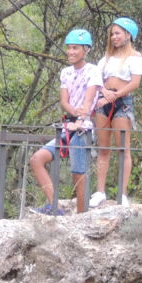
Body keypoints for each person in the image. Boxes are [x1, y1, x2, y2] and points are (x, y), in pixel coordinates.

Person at [29, 29, 103, 215]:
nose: (70, 52)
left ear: (85, 49)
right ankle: (56, 206)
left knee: (78, 173)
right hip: (67, 127)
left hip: (82, 129)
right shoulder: (66, 73)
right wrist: (73, 113)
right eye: (69, 48)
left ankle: (81, 215)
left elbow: (89, 99)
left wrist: (80, 119)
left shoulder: (93, 71)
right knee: (37, 159)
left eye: (75, 48)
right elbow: (64, 101)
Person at [90, 17, 142, 207]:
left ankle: (122, 193)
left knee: (123, 148)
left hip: (122, 103)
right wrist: (103, 92)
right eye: (112, 34)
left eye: (118, 33)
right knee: (103, 148)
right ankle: (100, 192)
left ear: (128, 35)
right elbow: (96, 79)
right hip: (104, 102)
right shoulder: (105, 59)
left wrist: (113, 96)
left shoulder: (135, 58)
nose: (114, 37)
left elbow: (134, 83)